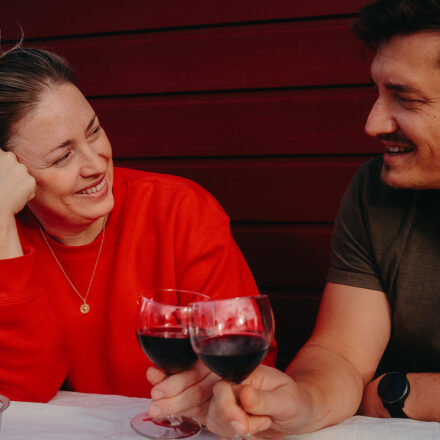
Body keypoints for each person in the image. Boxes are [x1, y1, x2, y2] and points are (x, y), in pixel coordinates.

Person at [191, 0, 440, 437]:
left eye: (405, 97)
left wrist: (401, 394)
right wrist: (297, 401)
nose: (373, 122)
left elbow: (384, 392)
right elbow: (342, 355)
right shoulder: (375, 190)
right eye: (377, 92)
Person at [0, 43, 276, 410]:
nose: (96, 165)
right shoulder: (8, 234)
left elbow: (247, 363)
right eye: (63, 156)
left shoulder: (179, 210)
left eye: (94, 131)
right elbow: (23, 393)